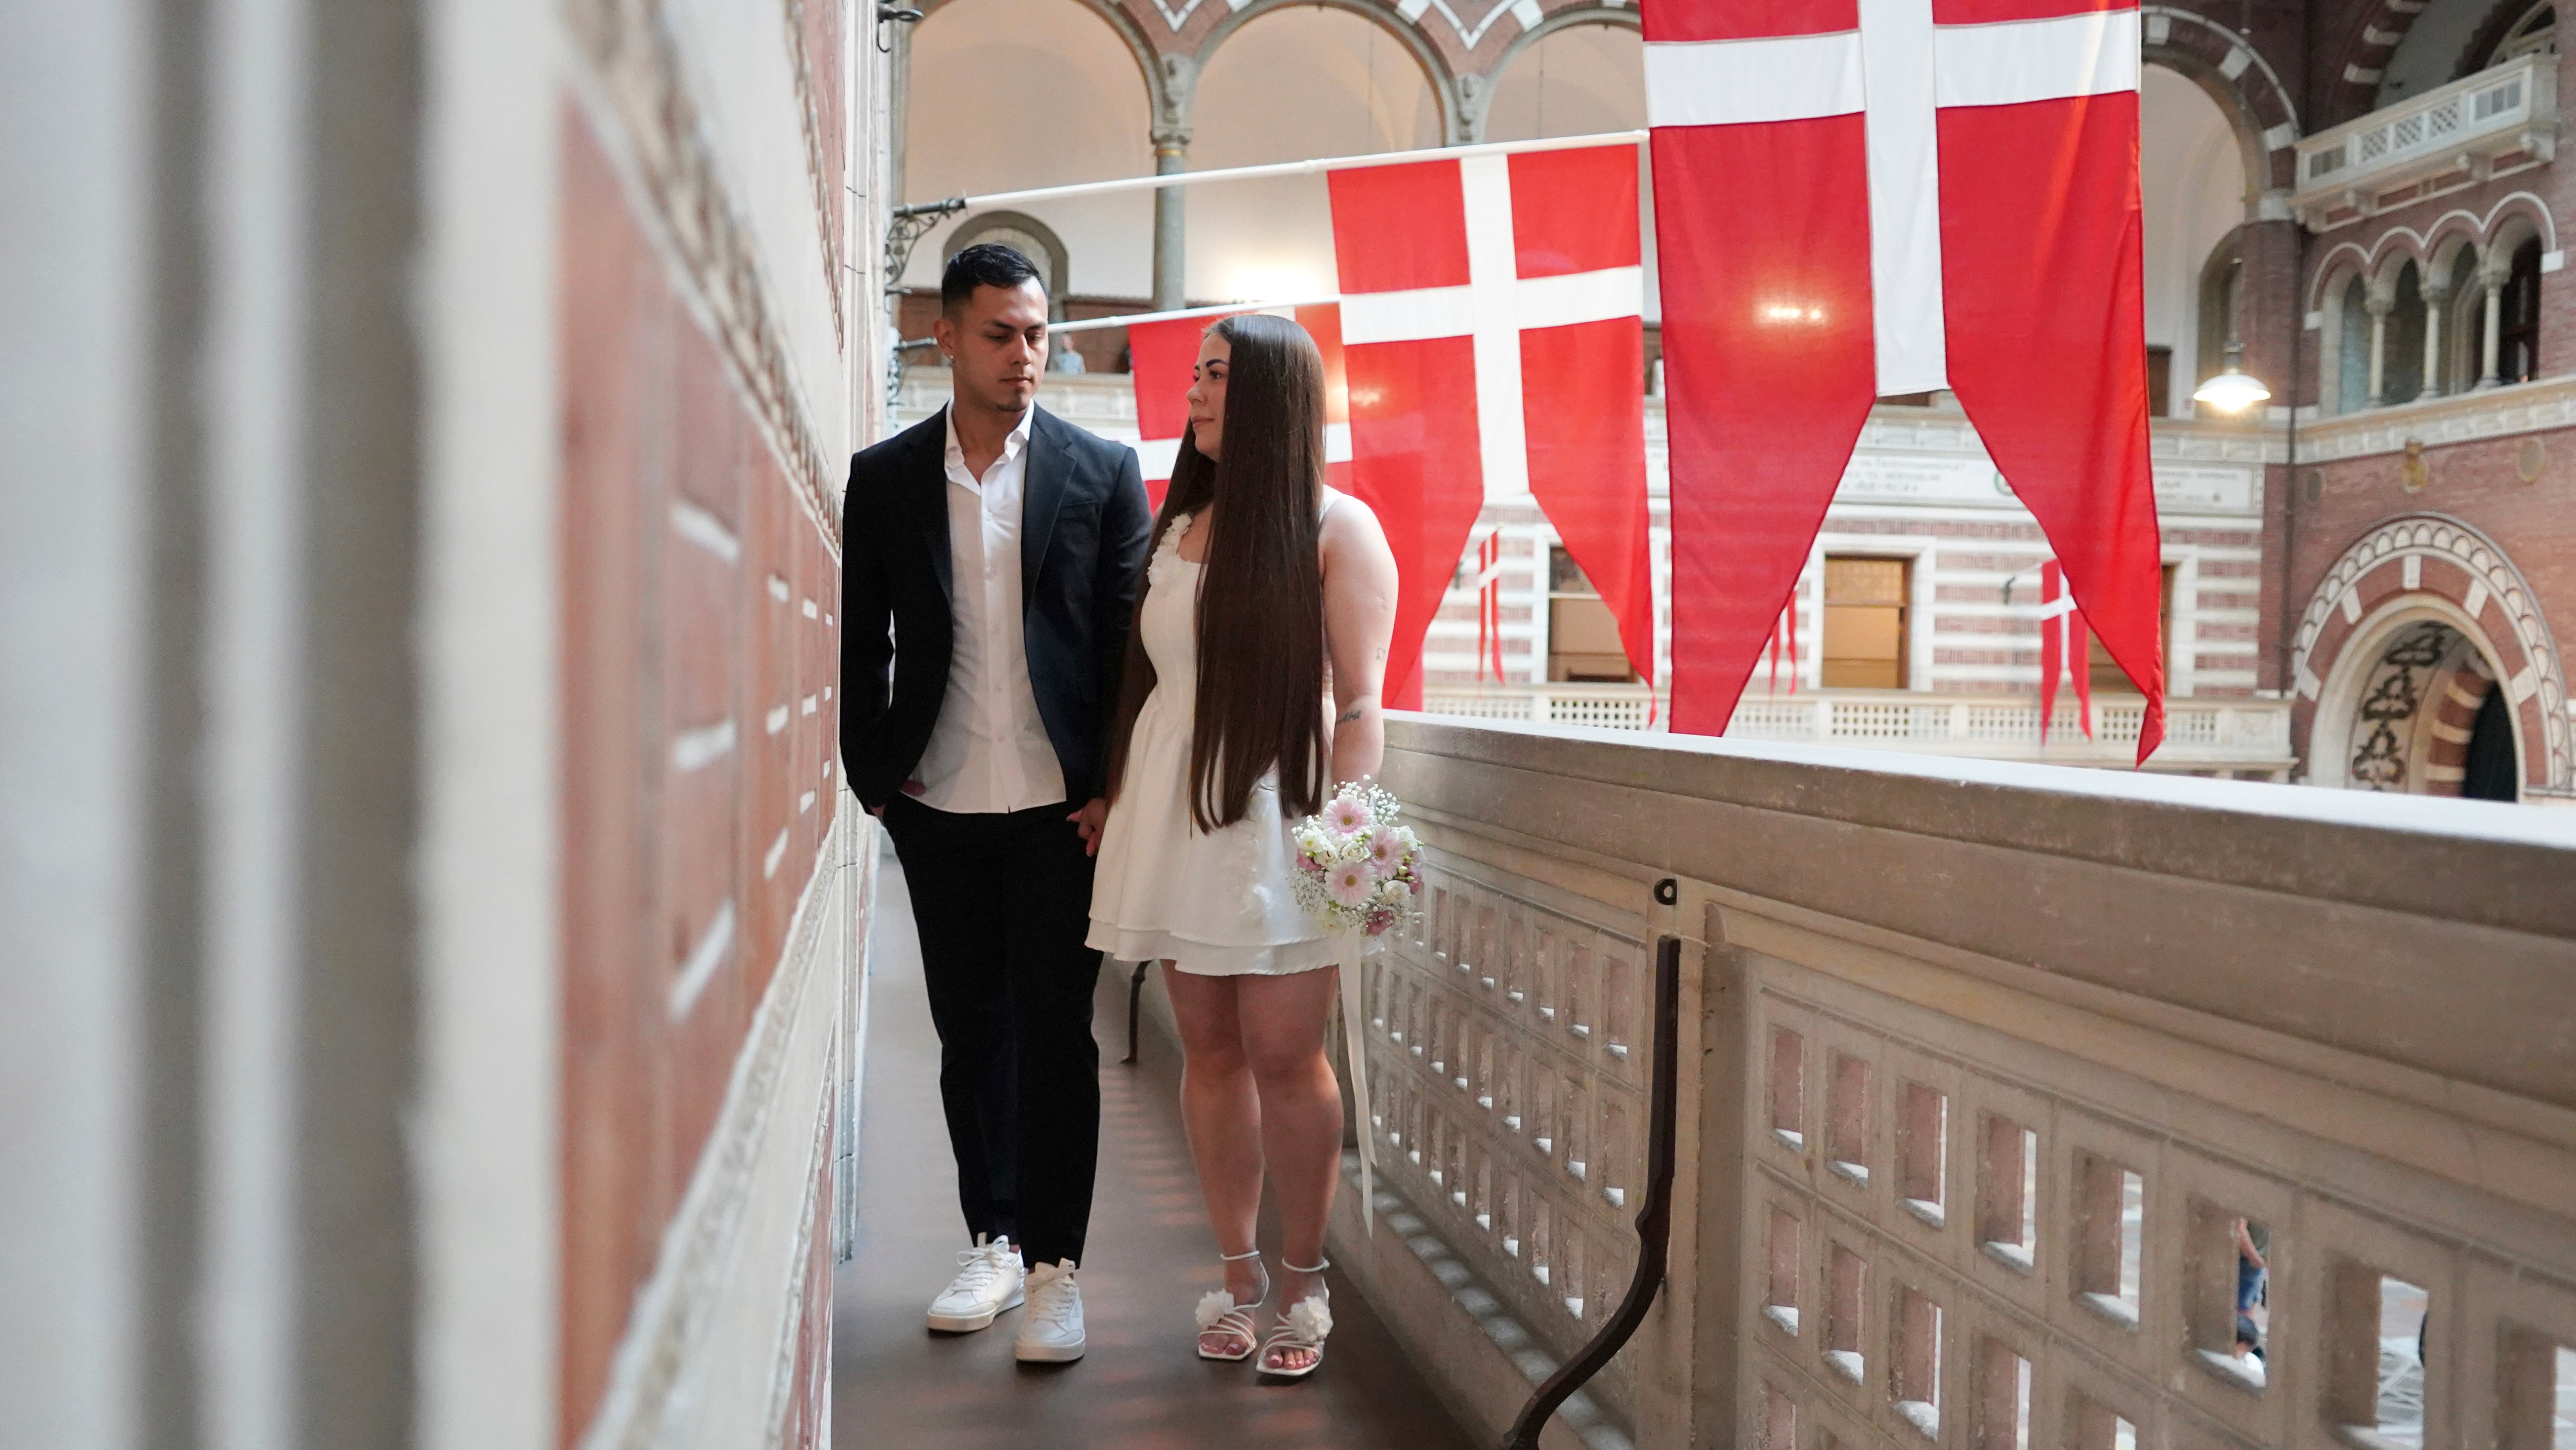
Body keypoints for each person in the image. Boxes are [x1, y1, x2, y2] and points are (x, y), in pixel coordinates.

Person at [840, 243, 1153, 1365]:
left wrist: (1114, 786)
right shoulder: (885, 477)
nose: (1025, 355)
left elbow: (1128, 649)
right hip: (937, 804)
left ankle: (1059, 1269)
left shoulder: (1101, 470)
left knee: (1056, 1035)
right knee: (969, 1033)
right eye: (1001, 334)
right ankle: (995, 1240)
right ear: (946, 339)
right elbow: (861, 638)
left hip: (1062, 810)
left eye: (1036, 334)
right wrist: (875, 778)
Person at [1085, 313, 1400, 1381]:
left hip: (1278, 815)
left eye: (1216, 376)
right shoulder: (1179, 523)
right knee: (1210, 1050)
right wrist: (1116, 790)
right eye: (1196, 375)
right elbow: (1146, 681)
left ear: (1270, 394)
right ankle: (1235, 1274)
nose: (1194, 394)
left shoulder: (1337, 526)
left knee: (1283, 1051)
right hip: (1174, 809)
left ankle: (1305, 1284)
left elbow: (1361, 701)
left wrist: (1347, 836)